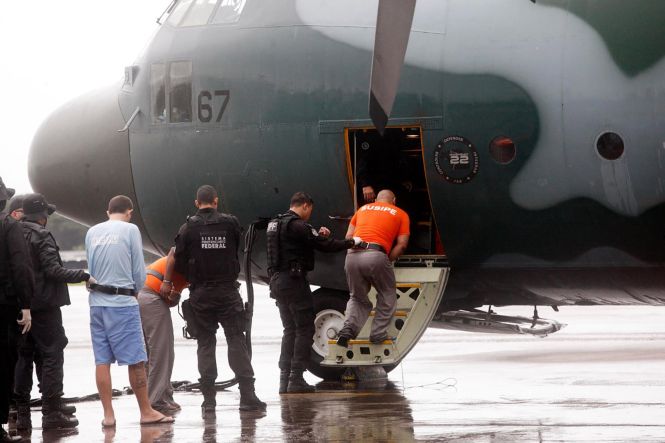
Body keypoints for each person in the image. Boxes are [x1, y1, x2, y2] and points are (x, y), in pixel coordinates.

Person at [174, 185, 265, 413]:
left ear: (197, 203)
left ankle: (208, 401)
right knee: (236, 339)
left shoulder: (187, 229)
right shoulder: (231, 223)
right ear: (216, 201)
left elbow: (180, 261)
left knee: (205, 343)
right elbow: (236, 248)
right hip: (227, 292)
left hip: (201, 294)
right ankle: (247, 396)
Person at [85, 195, 174, 427]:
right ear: (129, 212)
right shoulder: (130, 229)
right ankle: (146, 411)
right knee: (136, 360)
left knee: (102, 361)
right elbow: (138, 271)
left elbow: (91, 268)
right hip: (122, 302)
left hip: (96, 303)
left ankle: (108, 415)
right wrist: (134, 292)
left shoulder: (92, 232)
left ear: (108, 212)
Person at [266, 192, 358, 393]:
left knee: (289, 330)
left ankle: (285, 380)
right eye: (310, 211)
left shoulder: (275, 224)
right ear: (305, 206)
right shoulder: (298, 225)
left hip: (277, 283)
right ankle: (296, 378)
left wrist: (319, 236)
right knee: (305, 329)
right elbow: (324, 246)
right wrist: (351, 242)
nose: (309, 215)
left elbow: (292, 248)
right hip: (294, 282)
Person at [14, 193, 92, 430]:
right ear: (42, 216)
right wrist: (84, 275)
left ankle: (22, 414)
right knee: (52, 354)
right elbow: (53, 271)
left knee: (23, 358)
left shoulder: (13, 232)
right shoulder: (42, 235)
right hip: (45, 307)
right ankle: (51, 412)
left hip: (19, 306)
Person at [336, 190, 410, 347]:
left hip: (351, 256)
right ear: (394, 200)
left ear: (376, 200)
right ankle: (377, 334)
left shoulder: (362, 209)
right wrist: (386, 260)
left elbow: (348, 237)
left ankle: (348, 329)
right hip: (376, 254)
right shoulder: (401, 213)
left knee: (356, 297)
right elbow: (402, 245)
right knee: (387, 294)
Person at [0, 178, 33, 443]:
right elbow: (21, 268)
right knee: (4, 362)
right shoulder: (9, 227)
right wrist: (26, 305)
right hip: (5, 306)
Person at [138, 248, 186, 414]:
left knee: (156, 352)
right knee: (161, 351)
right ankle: (157, 400)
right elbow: (173, 252)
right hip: (151, 295)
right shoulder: (190, 251)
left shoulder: (188, 266)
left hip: (146, 294)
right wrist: (166, 282)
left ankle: (162, 396)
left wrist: (176, 295)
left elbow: (173, 296)